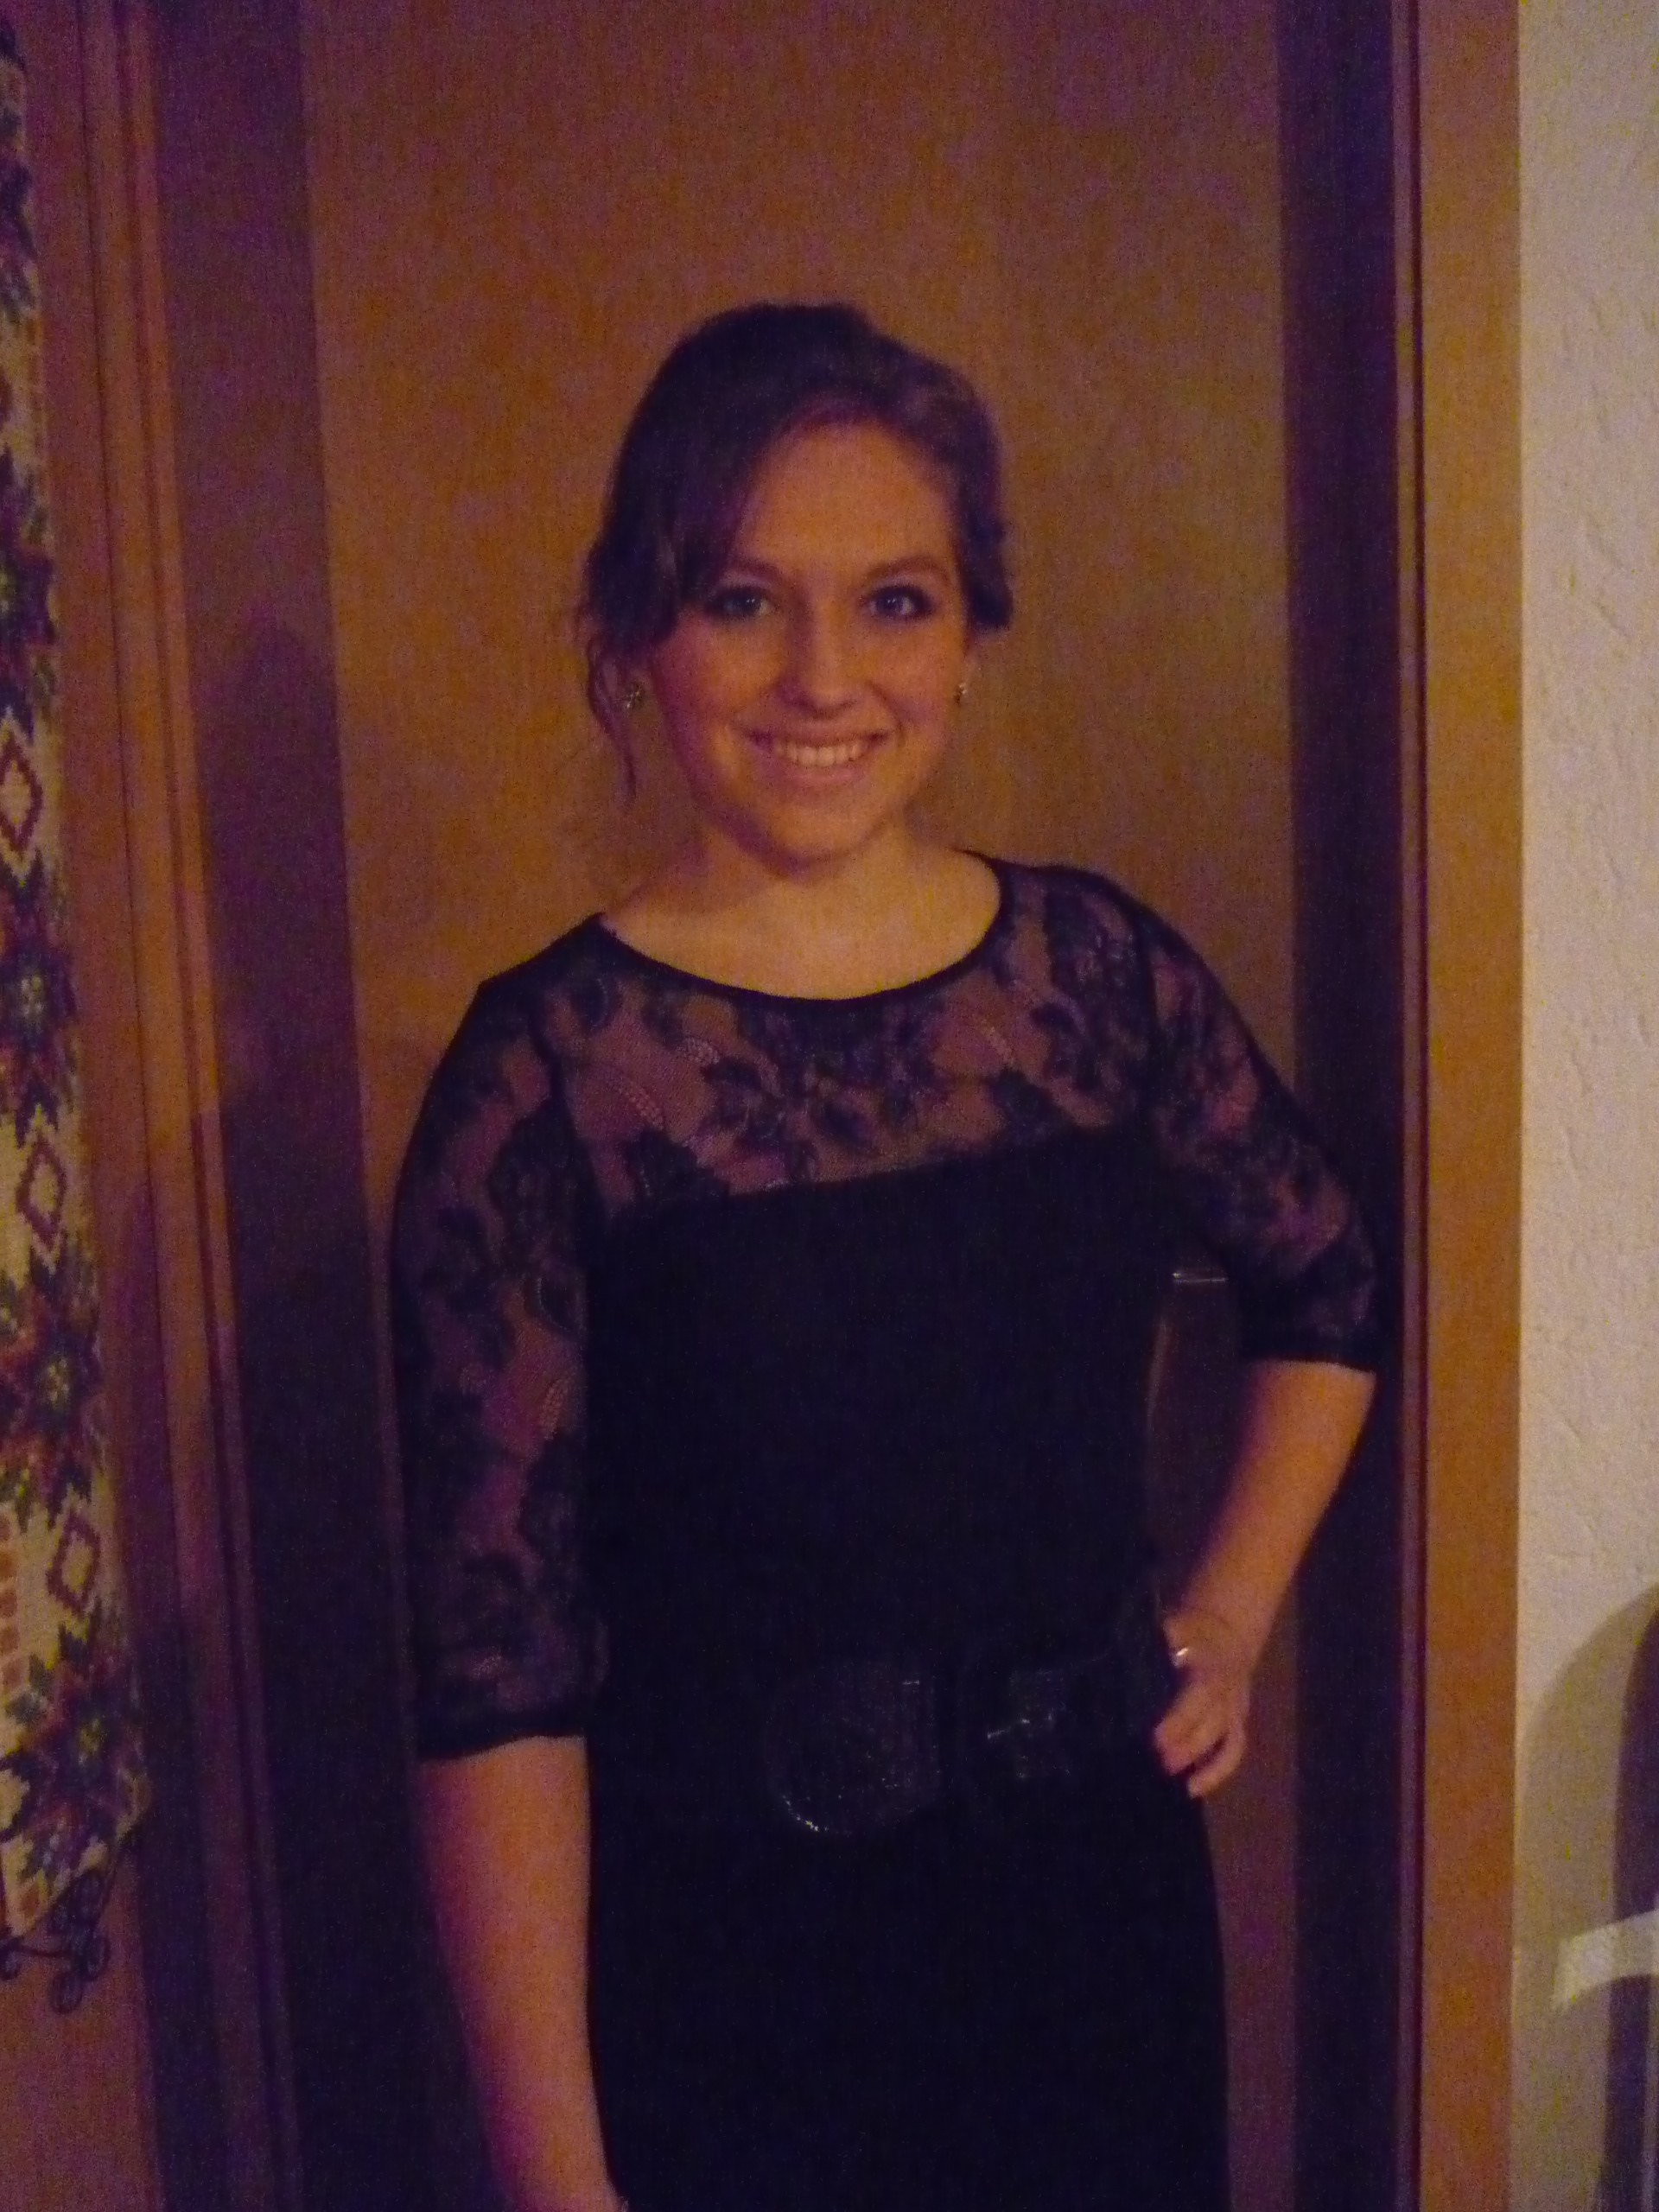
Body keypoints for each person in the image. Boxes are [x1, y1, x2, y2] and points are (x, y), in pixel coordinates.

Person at [391, 302, 1379, 2212]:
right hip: (737, 1977)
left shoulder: (1101, 980)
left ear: (972, 635)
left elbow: (1328, 1287)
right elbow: (497, 1681)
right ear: (639, 630)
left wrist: (1234, 1610)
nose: (824, 676)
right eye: (744, 600)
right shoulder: (546, 1079)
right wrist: (558, 2186)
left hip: (1098, 1934)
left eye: (896, 602)